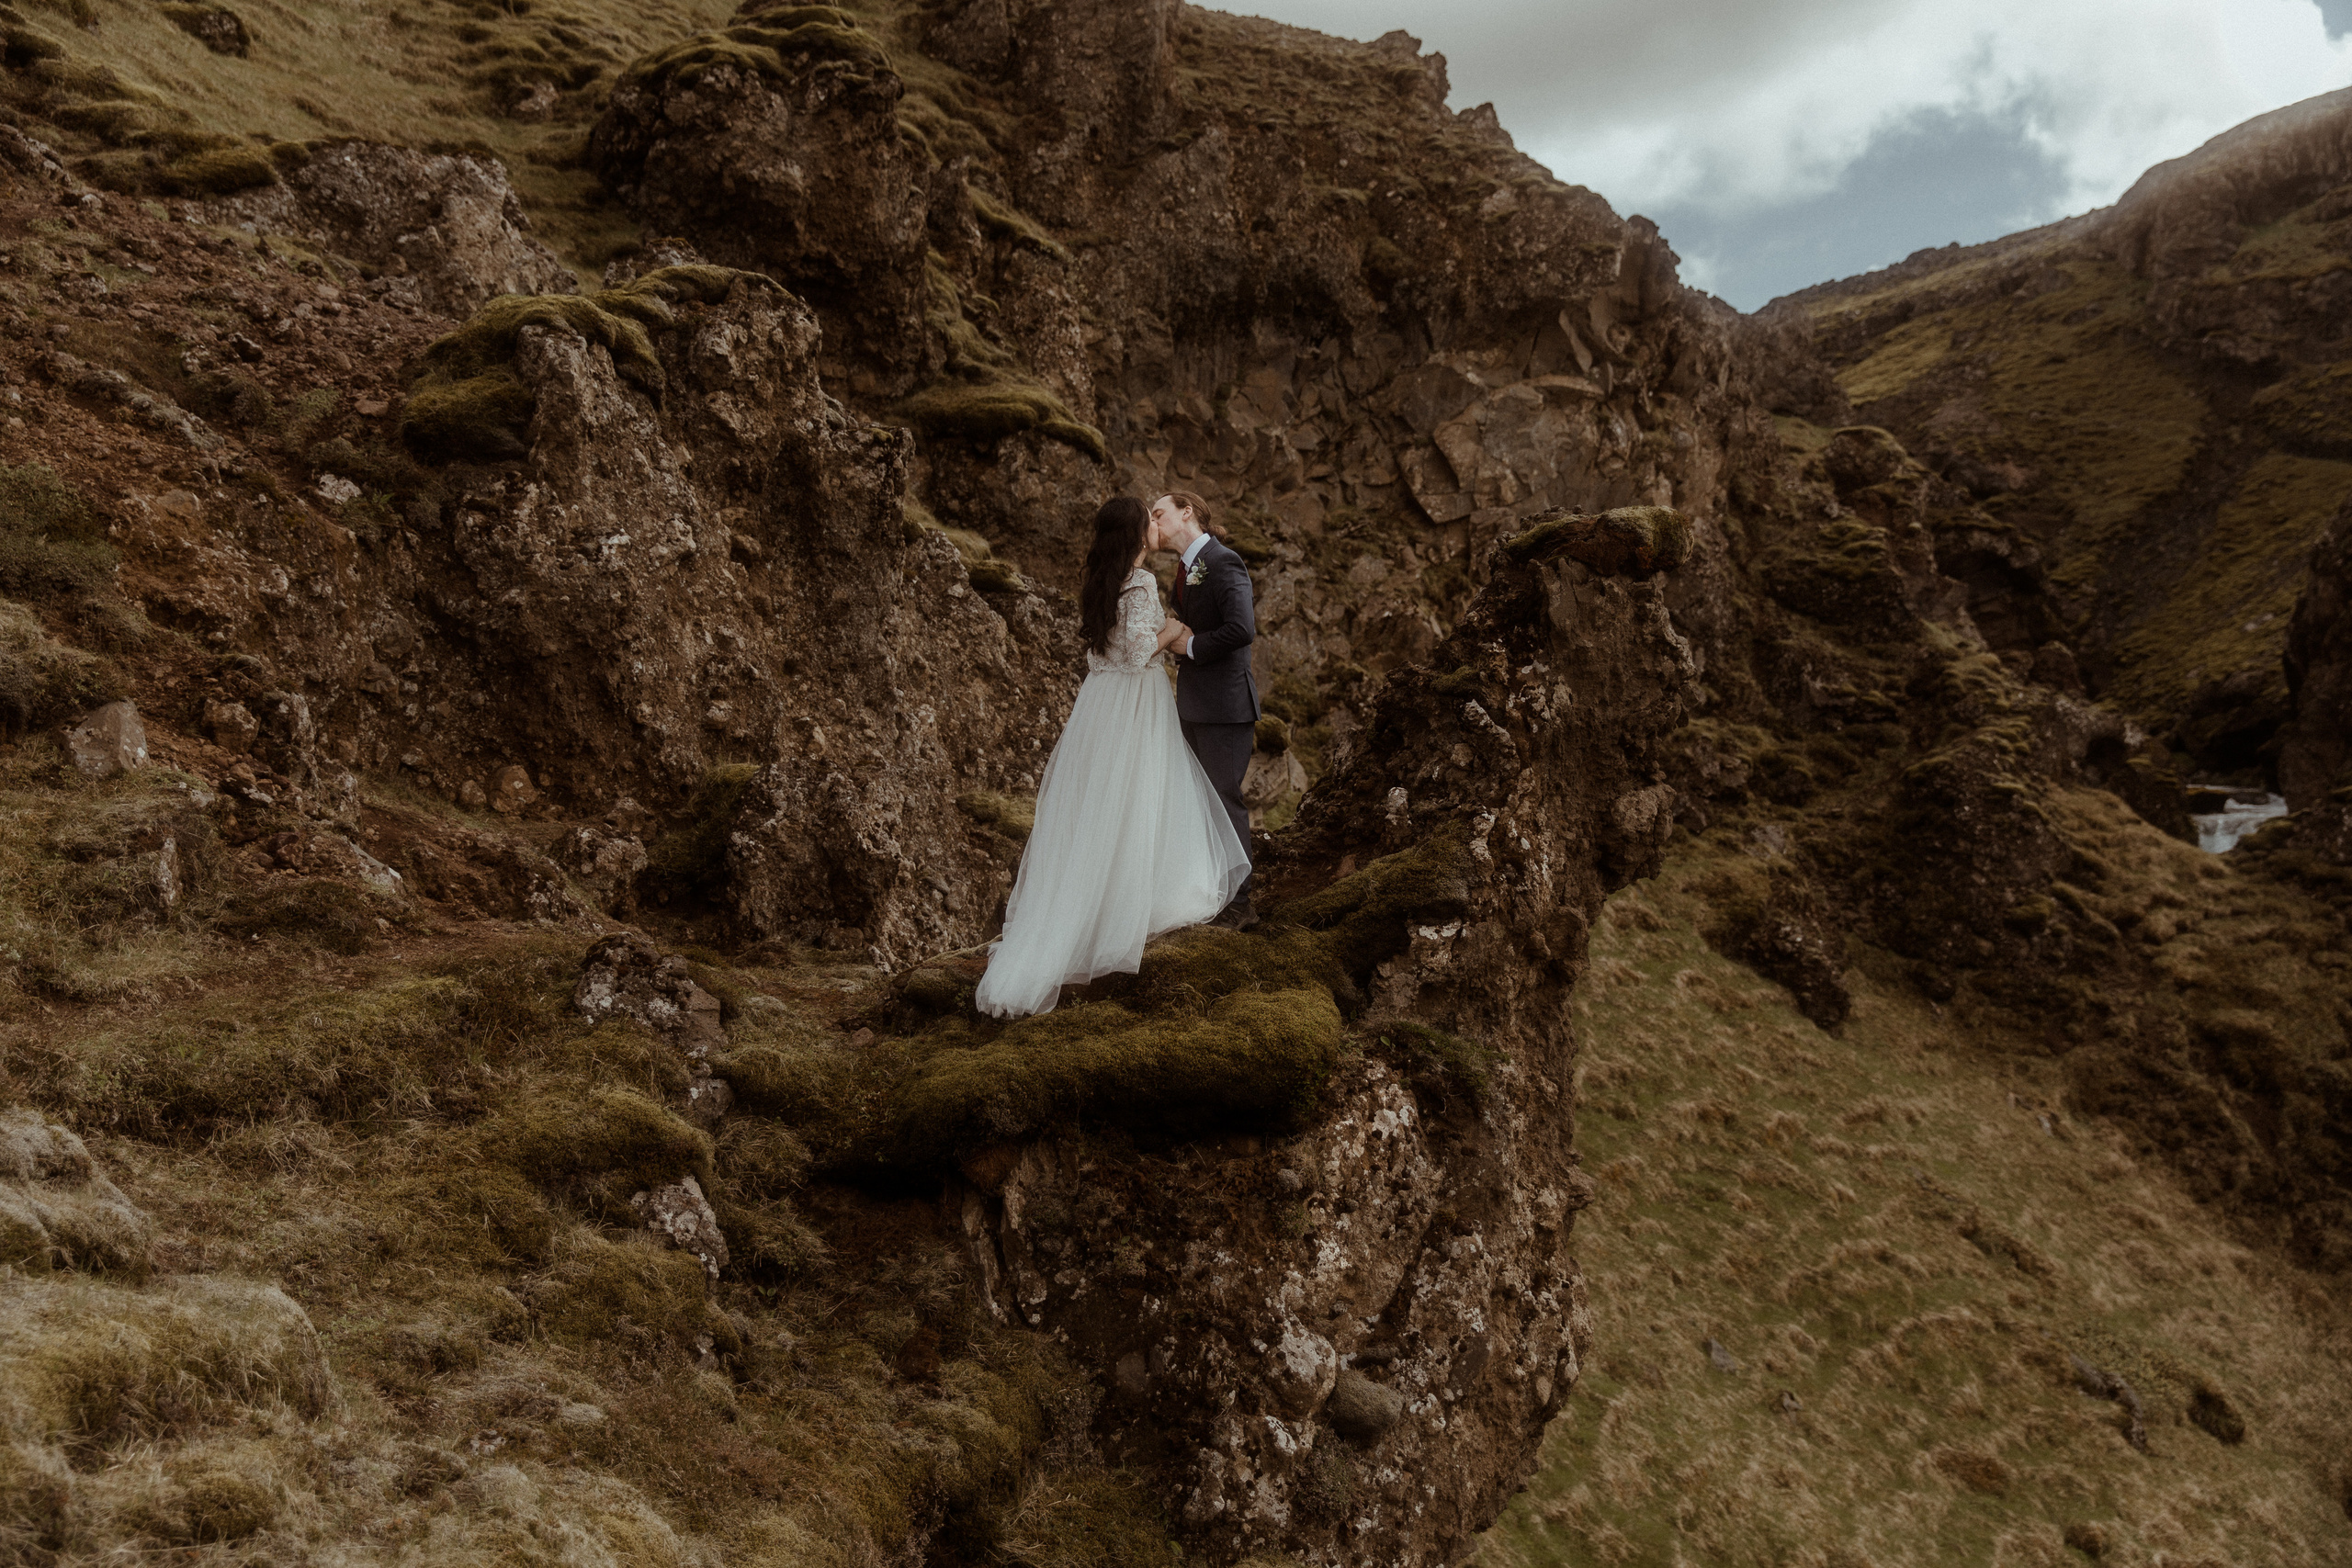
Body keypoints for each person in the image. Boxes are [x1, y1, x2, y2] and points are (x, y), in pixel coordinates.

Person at [972, 496, 1252, 1019]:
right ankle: (1133, 906)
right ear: (1133, 533)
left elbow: (1104, 651)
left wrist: (1171, 629)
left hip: (1100, 702)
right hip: (1134, 700)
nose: (1155, 525)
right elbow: (1137, 651)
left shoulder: (1103, 581)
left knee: (1102, 804)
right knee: (1139, 795)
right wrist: (1176, 630)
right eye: (1148, 519)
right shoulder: (1142, 582)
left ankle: (1093, 906)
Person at [1148, 491, 1261, 930]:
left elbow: (1241, 629)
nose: (1154, 522)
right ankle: (1211, 895)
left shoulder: (1223, 560)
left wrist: (1190, 645)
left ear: (1186, 512)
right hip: (1194, 703)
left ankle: (1240, 906)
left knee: (1224, 801)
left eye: (1159, 513)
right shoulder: (1184, 569)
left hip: (1226, 706)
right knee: (1197, 803)